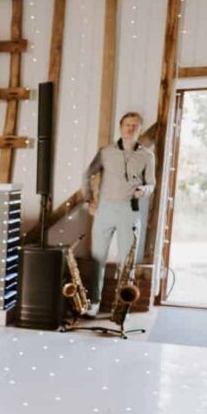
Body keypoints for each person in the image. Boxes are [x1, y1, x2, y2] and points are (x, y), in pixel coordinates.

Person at [82, 111, 156, 316]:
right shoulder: (105, 152)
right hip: (105, 209)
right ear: (121, 127)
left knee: (127, 260)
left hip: (129, 210)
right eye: (127, 125)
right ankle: (94, 303)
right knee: (98, 258)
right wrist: (89, 200)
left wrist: (144, 191)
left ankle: (121, 305)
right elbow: (88, 174)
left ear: (140, 129)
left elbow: (151, 184)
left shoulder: (147, 156)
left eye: (135, 125)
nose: (130, 129)